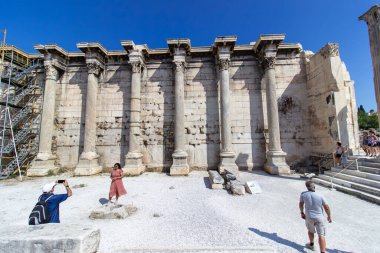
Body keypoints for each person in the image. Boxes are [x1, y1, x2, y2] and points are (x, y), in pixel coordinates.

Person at [299, 181, 332, 252]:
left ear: (307, 187)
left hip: (309, 217)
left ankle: (311, 245)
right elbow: (326, 207)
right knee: (321, 235)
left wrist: (302, 212)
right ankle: (322, 252)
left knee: (310, 231)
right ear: (314, 187)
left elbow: (301, 204)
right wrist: (329, 216)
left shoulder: (303, 194)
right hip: (319, 217)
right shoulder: (320, 195)